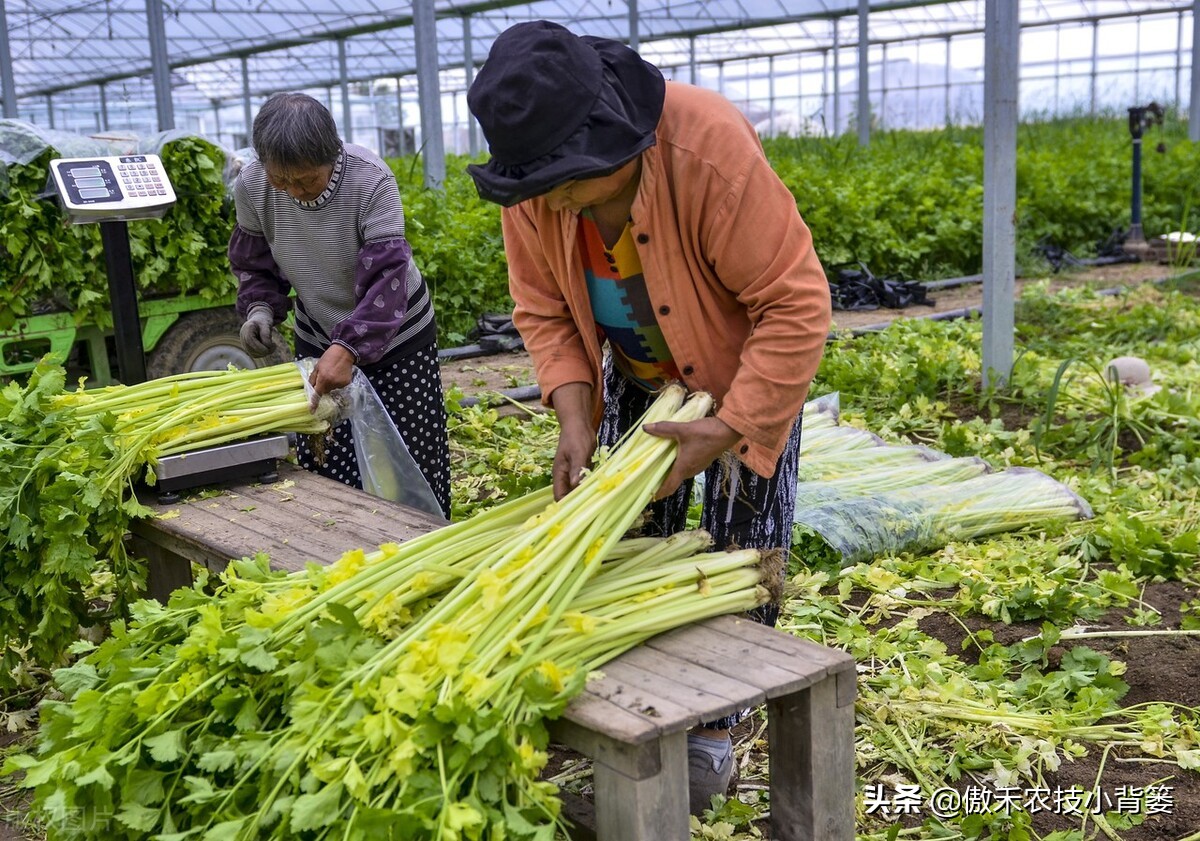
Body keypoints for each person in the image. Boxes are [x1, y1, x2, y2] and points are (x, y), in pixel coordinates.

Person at [465, 20, 832, 813]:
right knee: (635, 550)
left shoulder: (706, 146)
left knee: (739, 556)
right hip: (634, 378)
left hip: (740, 380)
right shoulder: (537, 184)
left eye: (567, 183)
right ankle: (643, 719)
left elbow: (797, 305)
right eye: (540, 187)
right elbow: (544, 312)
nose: (553, 202)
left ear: (611, 142)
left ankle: (714, 737)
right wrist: (571, 414)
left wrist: (731, 425)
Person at [229, 92, 451, 518]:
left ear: (330, 155)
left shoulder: (371, 181)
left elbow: (387, 283)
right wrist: (259, 308)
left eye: (305, 180)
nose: (292, 191)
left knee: (412, 459)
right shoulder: (253, 184)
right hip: (319, 331)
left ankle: (421, 544)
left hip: (397, 334)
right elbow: (254, 262)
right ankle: (345, 549)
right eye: (281, 179)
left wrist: (349, 348)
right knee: (329, 457)